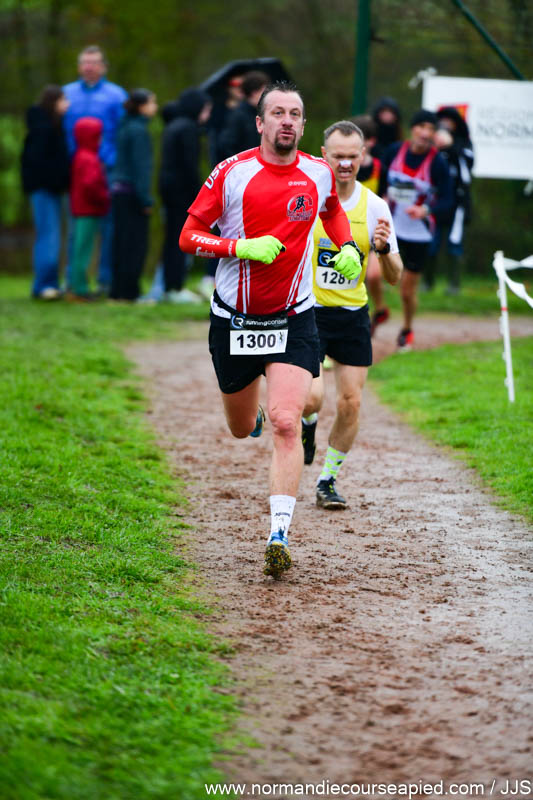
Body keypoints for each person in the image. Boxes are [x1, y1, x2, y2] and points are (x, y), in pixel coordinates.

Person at [178, 82, 362, 577]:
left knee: (286, 421)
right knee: (243, 428)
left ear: (303, 125)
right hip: (234, 318)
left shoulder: (318, 172)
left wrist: (346, 247)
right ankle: (251, 416)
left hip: (293, 317)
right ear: (260, 123)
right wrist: (239, 247)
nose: (287, 120)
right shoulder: (231, 173)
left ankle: (278, 535)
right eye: (277, 113)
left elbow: (333, 212)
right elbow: (188, 236)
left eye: (295, 114)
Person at [301, 120, 402, 508]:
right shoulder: (307, 198)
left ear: (363, 156)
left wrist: (383, 250)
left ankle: (326, 481)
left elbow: (394, 276)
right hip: (308, 311)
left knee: (351, 403)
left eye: (351, 156)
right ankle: (308, 424)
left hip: (352, 314)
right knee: (311, 399)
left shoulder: (375, 207)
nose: (344, 164)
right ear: (323, 155)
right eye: (337, 156)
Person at [381, 109, 452, 351]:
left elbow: (448, 200)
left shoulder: (437, 162)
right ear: (413, 129)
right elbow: (381, 180)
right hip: (389, 228)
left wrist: (426, 210)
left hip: (418, 235)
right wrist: (380, 198)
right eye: (421, 127)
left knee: (406, 291)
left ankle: (406, 328)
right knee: (372, 275)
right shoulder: (394, 151)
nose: (425, 133)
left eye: (430, 129)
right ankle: (377, 312)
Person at [63, 46, 127, 294]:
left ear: (104, 67)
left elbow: (123, 132)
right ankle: (73, 279)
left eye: (94, 62)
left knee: (109, 227)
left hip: (107, 167)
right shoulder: (67, 93)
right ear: (79, 66)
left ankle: (105, 280)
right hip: (76, 170)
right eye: (85, 62)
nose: (89, 67)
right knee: (77, 225)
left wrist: (115, 162)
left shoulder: (116, 95)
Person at [158, 88, 212, 303]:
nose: (207, 114)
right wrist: (199, 194)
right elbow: (190, 165)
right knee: (181, 238)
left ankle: (170, 285)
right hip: (181, 191)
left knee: (171, 238)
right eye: (206, 109)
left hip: (168, 189)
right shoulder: (189, 129)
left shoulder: (174, 125)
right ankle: (175, 287)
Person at [21, 85, 70, 299]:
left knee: (51, 236)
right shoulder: (43, 129)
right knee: (48, 236)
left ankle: (49, 283)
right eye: (63, 100)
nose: (67, 104)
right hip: (44, 189)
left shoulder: (53, 126)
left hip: (50, 189)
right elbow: (37, 162)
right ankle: (44, 285)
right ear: (54, 102)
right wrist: (56, 182)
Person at [110, 89, 158, 301]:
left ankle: (117, 291)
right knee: (135, 245)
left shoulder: (124, 127)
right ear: (142, 106)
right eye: (152, 102)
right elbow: (141, 168)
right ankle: (130, 292)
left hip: (119, 192)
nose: (155, 107)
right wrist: (145, 199)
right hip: (133, 195)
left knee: (120, 243)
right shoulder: (139, 131)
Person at [424, 107, 474, 294]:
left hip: (457, 204)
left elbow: (468, 165)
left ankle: (454, 285)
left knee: (454, 244)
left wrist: (451, 146)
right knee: (431, 243)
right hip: (436, 202)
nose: (445, 124)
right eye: (442, 120)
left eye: (449, 121)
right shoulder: (431, 147)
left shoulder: (463, 144)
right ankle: (427, 283)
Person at [351, 114, 390, 336]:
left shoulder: (378, 168)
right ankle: (358, 318)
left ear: (371, 142)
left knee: (373, 275)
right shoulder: (344, 166)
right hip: (346, 229)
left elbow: (384, 199)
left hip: (371, 231)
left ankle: (380, 307)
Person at [68, 117, 110, 301]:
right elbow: (90, 184)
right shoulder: (89, 158)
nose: (100, 139)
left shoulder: (81, 155)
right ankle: (80, 290)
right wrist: (104, 197)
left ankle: (78, 286)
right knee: (83, 250)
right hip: (88, 210)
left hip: (82, 209)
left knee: (81, 249)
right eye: (98, 135)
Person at [218, 71, 269, 159]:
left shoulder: (260, 113)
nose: (267, 97)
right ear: (254, 92)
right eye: (264, 92)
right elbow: (226, 145)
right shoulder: (237, 115)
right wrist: (241, 163)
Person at [371, 96, 402, 162]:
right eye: (384, 111)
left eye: (391, 112)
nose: (387, 115)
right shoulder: (371, 133)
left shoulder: (398, 137)